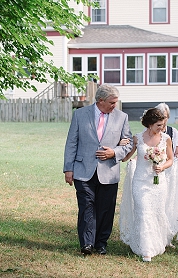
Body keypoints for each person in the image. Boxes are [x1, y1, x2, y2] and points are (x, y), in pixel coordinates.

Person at [63, 84, 133, 256]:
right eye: (112, 102)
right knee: (86, 206)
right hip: (82, 170)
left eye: (116, 102)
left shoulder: (122, 117)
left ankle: (101, 243)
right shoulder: (80, 114)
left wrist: (114, 152)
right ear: (100, 101)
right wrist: (68, 169)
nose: (114, 105)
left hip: (109, 172)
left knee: (105, 209)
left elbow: (129, 142)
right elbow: (72, 142)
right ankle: (86, 244)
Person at [119, 108, 176, 262]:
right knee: (143, 212)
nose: (162, 128)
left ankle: (157, 242)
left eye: (163, 125)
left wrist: (162, 166)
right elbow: (125, 158)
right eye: (159, 125)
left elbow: (171, 159)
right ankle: (146, 249)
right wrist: (122, 143)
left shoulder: (166, 138)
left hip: (158, 183)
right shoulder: (137, 138)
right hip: (140, 182)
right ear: (150, 124)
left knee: (156, 212)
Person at [154, 103, 178, 238]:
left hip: (169, 171)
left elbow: (177, 151)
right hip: (155, 170)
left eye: (165, 117)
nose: (163, 120)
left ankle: (167, 232)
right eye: (160, 116)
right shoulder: (151, 132)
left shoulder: (173, 132)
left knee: (168, 200)